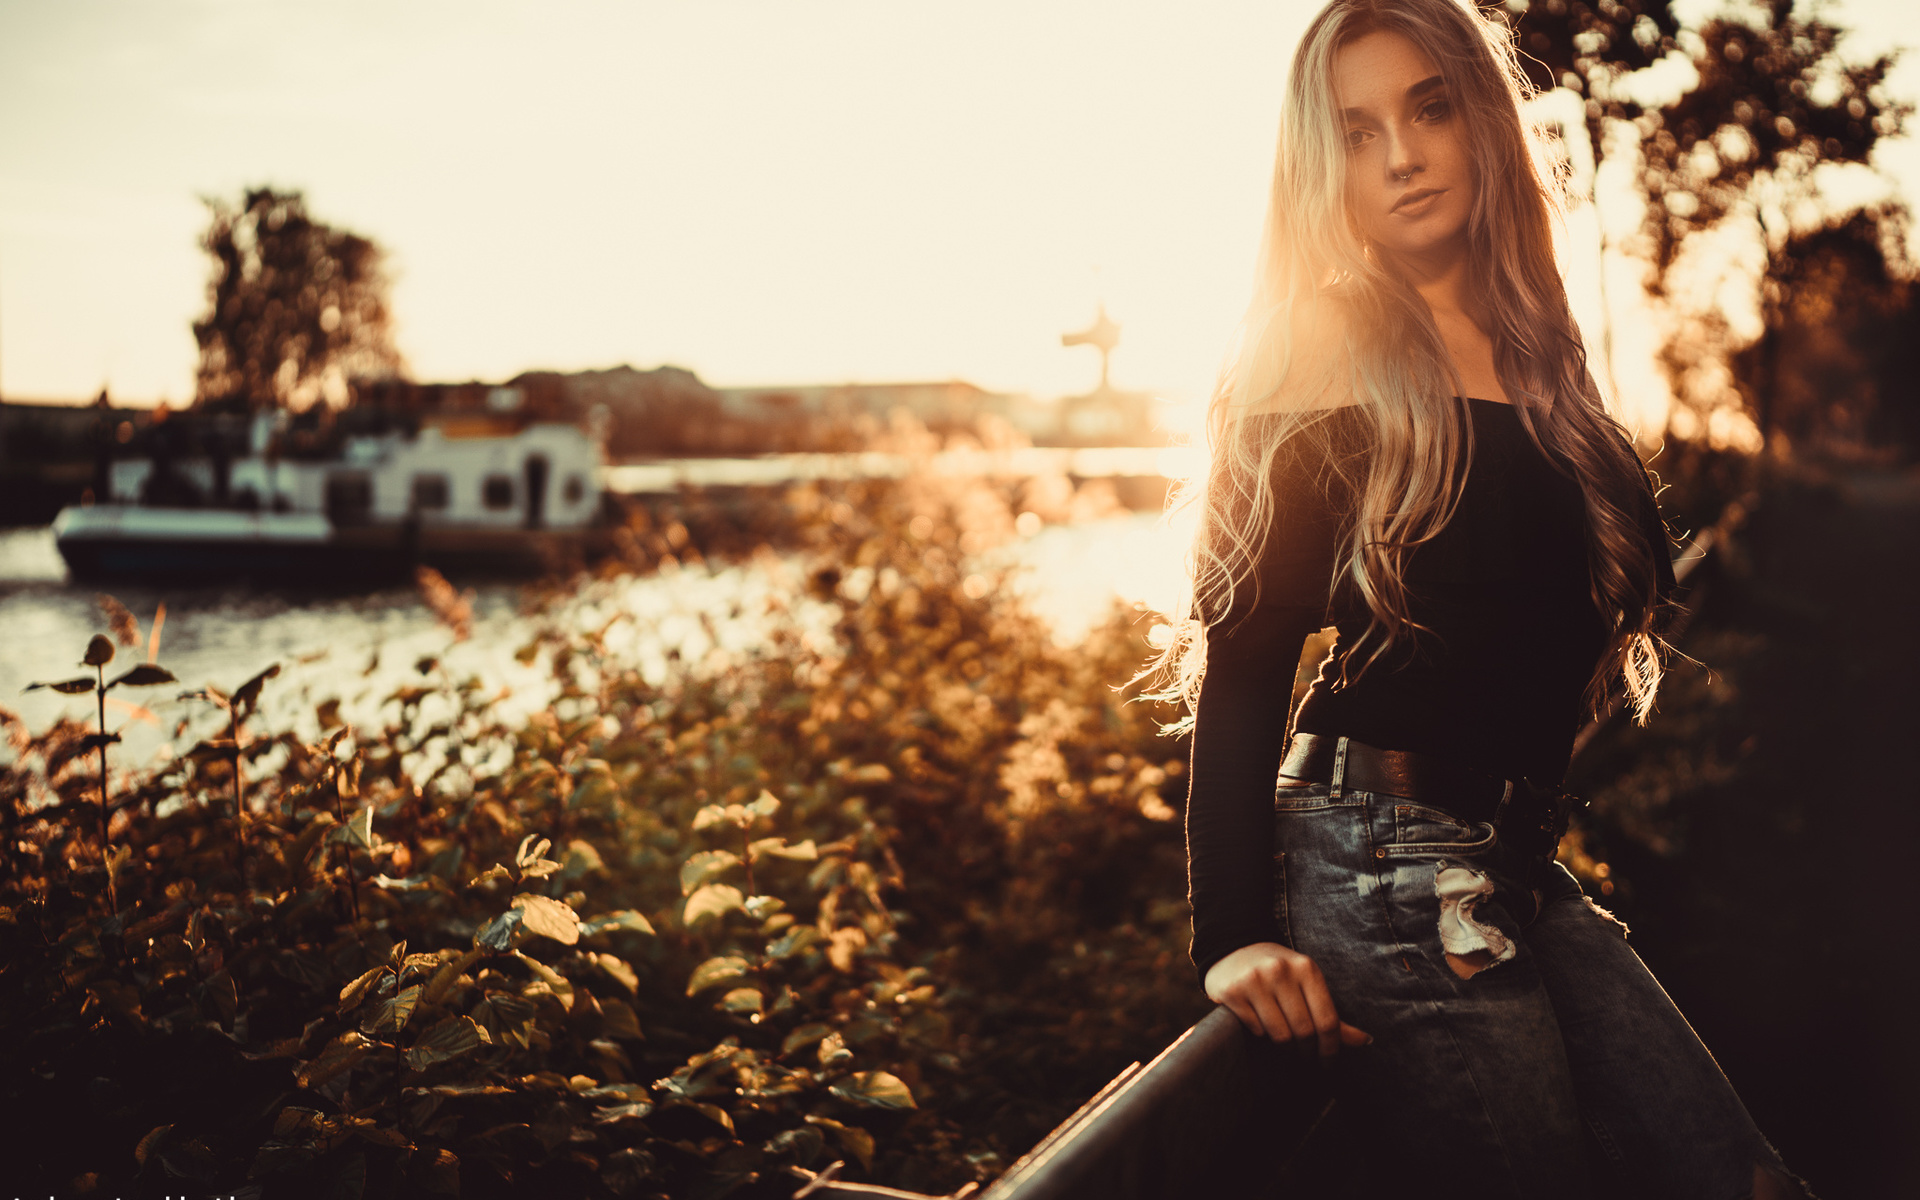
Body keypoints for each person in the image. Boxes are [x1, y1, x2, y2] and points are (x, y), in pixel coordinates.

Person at [1144, 1, 1809, 1195]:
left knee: (1747, 1178)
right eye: (1354, 132)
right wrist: (1233, 934)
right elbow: (1244, 669)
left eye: (1428, 108)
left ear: (1481, 123)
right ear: (1322, 169)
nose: (1400, 154)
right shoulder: (1309, 345)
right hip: (1377, 859)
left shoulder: (1538, 347)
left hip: (1508, 861)